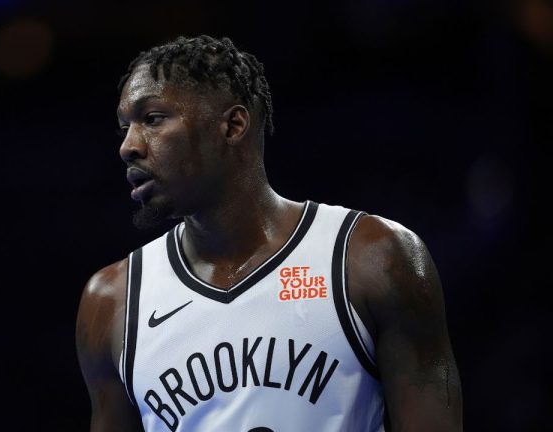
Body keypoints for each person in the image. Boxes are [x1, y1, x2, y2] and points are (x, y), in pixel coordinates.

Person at [75, 34, 463, 432]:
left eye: (152, 119)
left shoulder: (371, 257)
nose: (127, 146)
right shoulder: (111, 303)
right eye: (125, 127)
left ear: (233, 125)